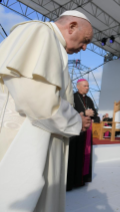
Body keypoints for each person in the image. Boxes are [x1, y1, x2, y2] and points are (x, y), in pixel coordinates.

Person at [0, 10, 93, 212]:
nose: (85, 47)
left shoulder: (54, 45)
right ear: (72, 26)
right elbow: (36, 100)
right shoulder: (39, 32)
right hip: (20, 145)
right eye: (85, 40)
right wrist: (76, 121)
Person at [66, 79, 97, 191]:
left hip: (86, 131)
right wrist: (84, 113)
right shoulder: (72, 97)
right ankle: (71, 182)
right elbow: (69, 112)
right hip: (75, 131)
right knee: (74, 155)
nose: (87, 88)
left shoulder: (89, 99)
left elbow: (95, 113)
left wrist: (92, 113)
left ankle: (81, 180)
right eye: (85, 86)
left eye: (88, 86)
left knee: (84, 155)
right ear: (78, 86)